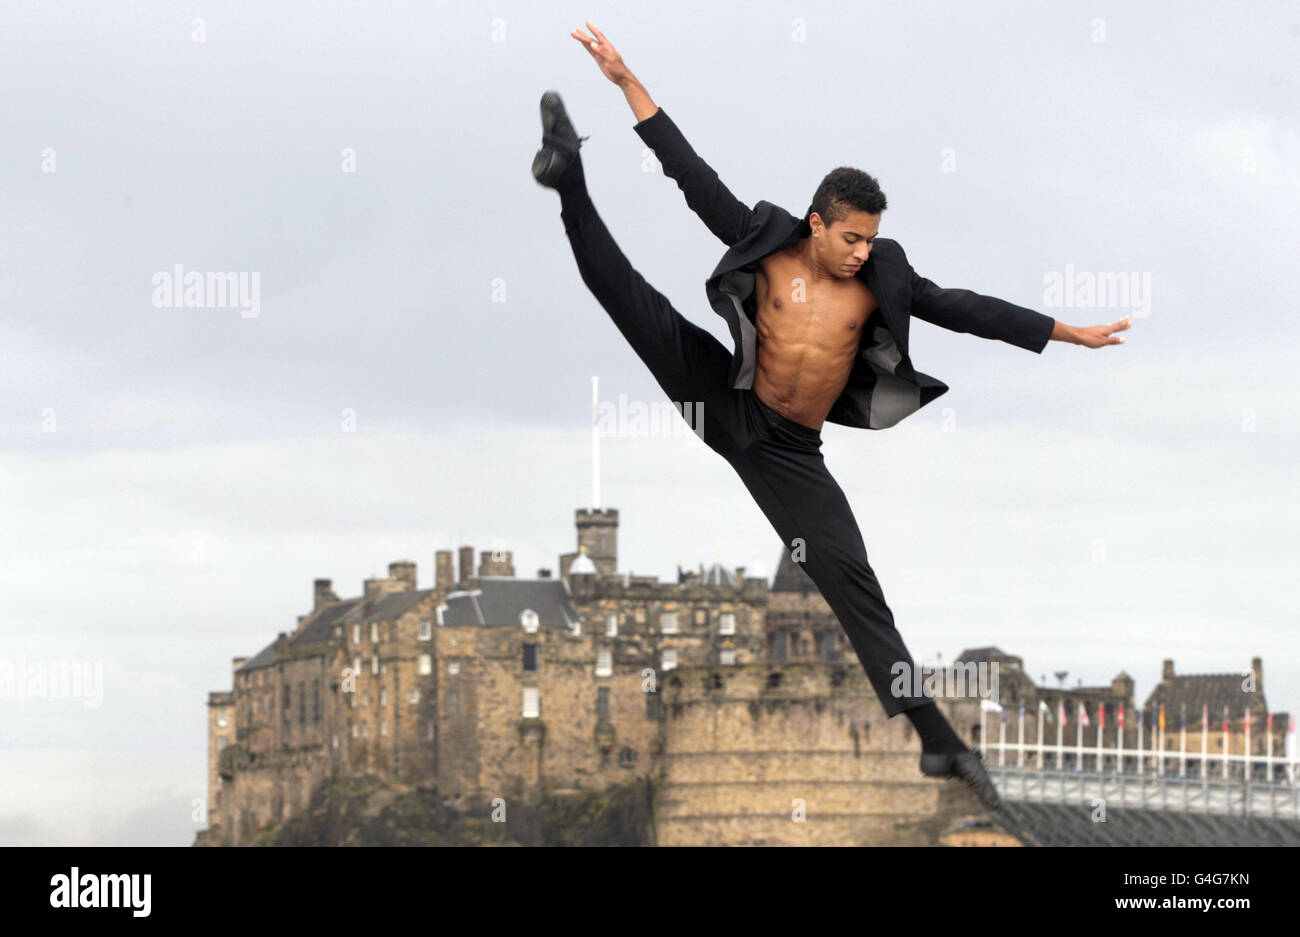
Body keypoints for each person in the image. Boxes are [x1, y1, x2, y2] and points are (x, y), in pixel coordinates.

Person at [533, 21, 1132, 810]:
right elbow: (688, 173)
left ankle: (938, 743)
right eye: (850, 237)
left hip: (786, 447)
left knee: (852, 580)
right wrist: (626, 81)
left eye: (871, 239)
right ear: (817, 223)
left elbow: (964, 307)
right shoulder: (765, 236)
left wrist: (1064, 331)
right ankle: (568, 175)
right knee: (623, 294)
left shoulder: (881, 275)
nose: (860, 251)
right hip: (724, 398)